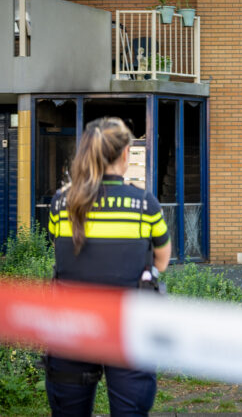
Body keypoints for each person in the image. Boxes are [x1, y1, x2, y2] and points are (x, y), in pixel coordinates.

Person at [45, 117, 171, 416]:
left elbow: (59, 248)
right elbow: (162, 262)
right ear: (126, 153)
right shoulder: (144, 204)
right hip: (128, 325)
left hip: (69, 326)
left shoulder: (61, 202)